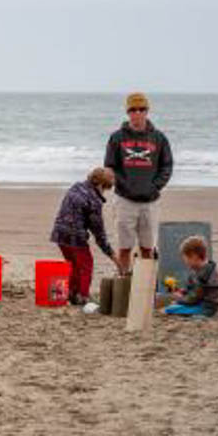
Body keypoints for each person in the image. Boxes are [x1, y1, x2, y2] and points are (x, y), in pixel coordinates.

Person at [104, 92, 173, 273]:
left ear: (147, 111)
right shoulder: (117, 138)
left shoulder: (159, 138)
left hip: (150, 201)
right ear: (128, 113)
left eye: (141, 109)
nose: (137, 113)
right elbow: (110, 166)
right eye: (133, 110)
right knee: (124, 246)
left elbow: (167, 166)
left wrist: (155, 186)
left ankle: (145, 285)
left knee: (147, 247)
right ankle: (124, 280)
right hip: (125, 201)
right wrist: (123, 185)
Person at [50, 167, 119, 305]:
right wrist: (112, 255)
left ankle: (71, 293)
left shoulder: (77, 186)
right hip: (76, 236)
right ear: (101, 185)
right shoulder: (94, 201)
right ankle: (83, 296)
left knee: (73, 265)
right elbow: (99, 233)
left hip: (59, 232)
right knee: (86, 265)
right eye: (106, 187)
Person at [164, 235, 218, 317]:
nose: (185, 262)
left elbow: (194, 297)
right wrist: (181, 292)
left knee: (170, 309)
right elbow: (190, 288)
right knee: (174, 306)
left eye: (186, 259)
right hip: (199, 303)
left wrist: (180, 299)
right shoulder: (197, 270)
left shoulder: (204, 275)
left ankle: (199, 315)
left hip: (206, 307)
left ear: (194, 256)